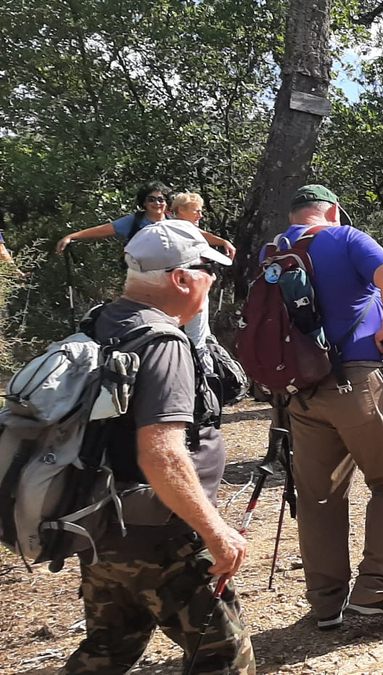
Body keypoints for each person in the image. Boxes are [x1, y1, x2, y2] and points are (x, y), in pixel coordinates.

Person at [64, 220, 253, 674]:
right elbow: (161, 454)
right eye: (208, 270)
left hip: (103, 527)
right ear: (181, 277)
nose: (211, 281)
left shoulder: (99, 323)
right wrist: (215, 533)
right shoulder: (163, 342)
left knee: (108, 649)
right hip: (164, 537)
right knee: (224, 659)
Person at [269, 185, 383, 629]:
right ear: (331, 211)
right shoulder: (346, 237)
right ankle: (376, 589)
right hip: (357, 382)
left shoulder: (272, 253)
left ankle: (325, 604)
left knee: (318, 498)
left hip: (300, 391)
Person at [56, 181, 234, 256]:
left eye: (161, 199)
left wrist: (222, 242)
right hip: (141, 277)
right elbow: (103, 230)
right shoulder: (134, 221)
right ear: (144, 202)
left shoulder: (174, 221)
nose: (157, 203)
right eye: (151, 199)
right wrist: (72, 236)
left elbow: (199, 234)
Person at [169, 192, 236, 348]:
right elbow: (199, 234)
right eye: (196, 210)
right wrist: (224, 242)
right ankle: (201, 370)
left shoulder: (168, 229)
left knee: (199, 335)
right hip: (190, 290)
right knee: (198, 339)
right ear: (180, 210)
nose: (200, 215)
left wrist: (222, 242)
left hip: (174, 290)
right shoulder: (181, 228)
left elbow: (201, 234)